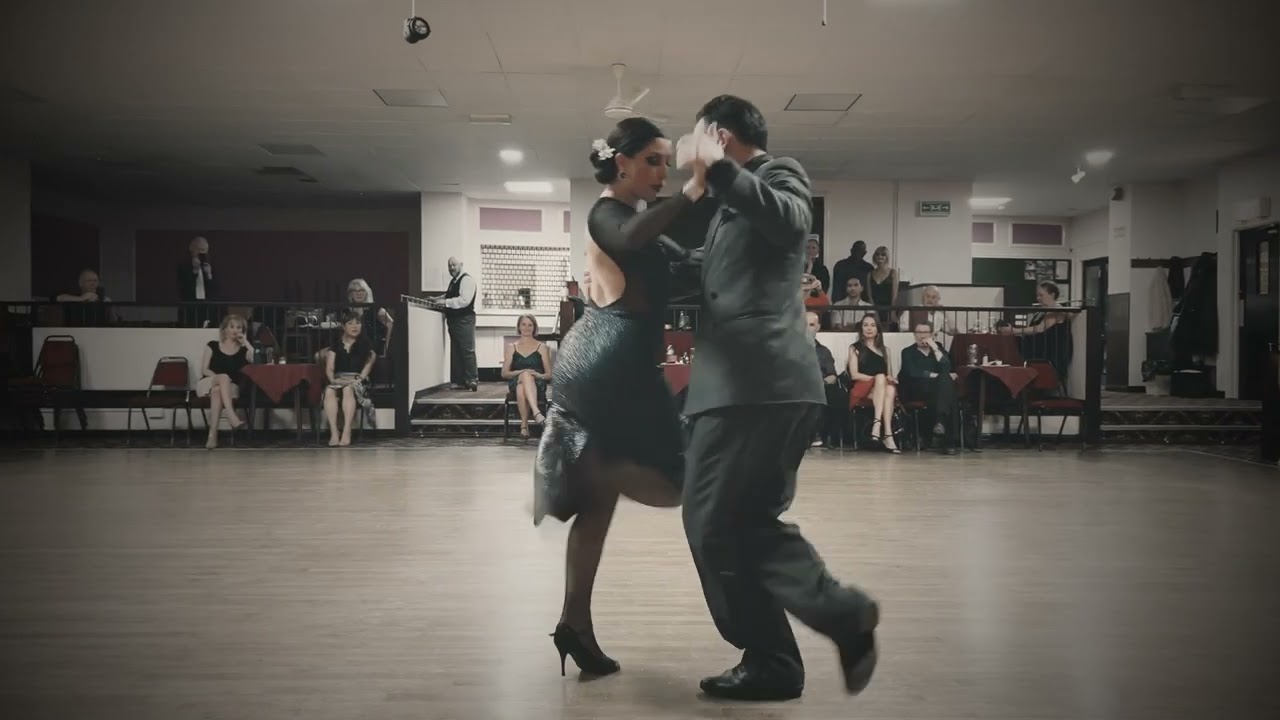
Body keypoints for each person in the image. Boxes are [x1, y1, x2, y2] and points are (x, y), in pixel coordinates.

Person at [677, 95, 879, 702]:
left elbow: (793, 219)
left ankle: (795, 642)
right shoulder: (724, 208)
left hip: (756, 385)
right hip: (743, 387)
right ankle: (797, 645)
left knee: (714, 523)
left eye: (697, 141)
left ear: (718, 134)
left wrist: (716, 170)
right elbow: (706, 270)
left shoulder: (776, 173)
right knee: (739, 521)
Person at [533, 117, 706, 677]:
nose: (663, 172)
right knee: (676, 481)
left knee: (598, 505)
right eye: (653, 161)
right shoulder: (607, 214)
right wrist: (696, 188)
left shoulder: (638, 218)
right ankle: (598, 471)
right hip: (608, 365)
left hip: (617, 362)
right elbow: (634, 241)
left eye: (666, 162)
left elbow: (685, 266)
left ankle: (573, 626)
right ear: (622, 163)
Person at [899, 320, 958, 454]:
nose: (922, 336)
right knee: (947, 386)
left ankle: (941, 425)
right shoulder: (908, 352)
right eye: (919, 332)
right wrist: (935, 375)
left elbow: (947, 366)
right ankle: (949, 441)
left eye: (925, 332)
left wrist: (935, 348)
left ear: (932, 334)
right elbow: (912, 372)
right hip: (916, 390)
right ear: (914, 335)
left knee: (946, 385)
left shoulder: (939, 350)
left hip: (936, 392)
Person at [197, 313, 252, 449]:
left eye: (239, 327)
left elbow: (257, 360)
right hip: (208, 382)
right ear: (225, 329)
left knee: (217, 391)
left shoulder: (244, 350)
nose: (235, 330)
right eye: (232, 326)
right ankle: (231, 415)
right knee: (223, 378)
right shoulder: (212, 345)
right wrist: (220, 379)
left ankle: (212, 435)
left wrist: (246, 342)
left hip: (231, 387)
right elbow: (204, 369)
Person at [324, 311, 377, 447]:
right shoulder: (335, 346)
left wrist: (358, 379)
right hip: (339, 378)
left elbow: (367, 367)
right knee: (329, 391)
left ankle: (347, 431)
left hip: (357, 380)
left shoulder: (367, 345)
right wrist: (333, 380)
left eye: (358, 323)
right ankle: (334, 433)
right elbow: (329, 368)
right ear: (343, 326)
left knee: (348, 389)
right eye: (350, 323)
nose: (355, 326)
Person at [429, 257, 478, 391]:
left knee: (467, 350)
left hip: (464, 319)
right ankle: (460, 381)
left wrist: (444, 302)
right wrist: (437, 299)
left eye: (454, 265)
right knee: (456, 350)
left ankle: (472, 380)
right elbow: (449, 294)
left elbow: (464, 300)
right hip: (455, 320)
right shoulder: (454, 281)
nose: (451, 268)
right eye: (449, 265)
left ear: (461, 265)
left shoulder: (467, 280)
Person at [502, 314, 552, 439]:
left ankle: (524, 426)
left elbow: (549, 374)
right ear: (519, 327)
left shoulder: (542, 347)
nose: (527, 328)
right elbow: (504, 373)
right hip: (516, 379)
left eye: (530, 325)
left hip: (537, 383)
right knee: (524, 375)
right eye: (523, 324)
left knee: (521, 387)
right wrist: (522, 372)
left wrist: (539, 375)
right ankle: (537, 413)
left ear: (534, 328)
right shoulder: (511, 347)